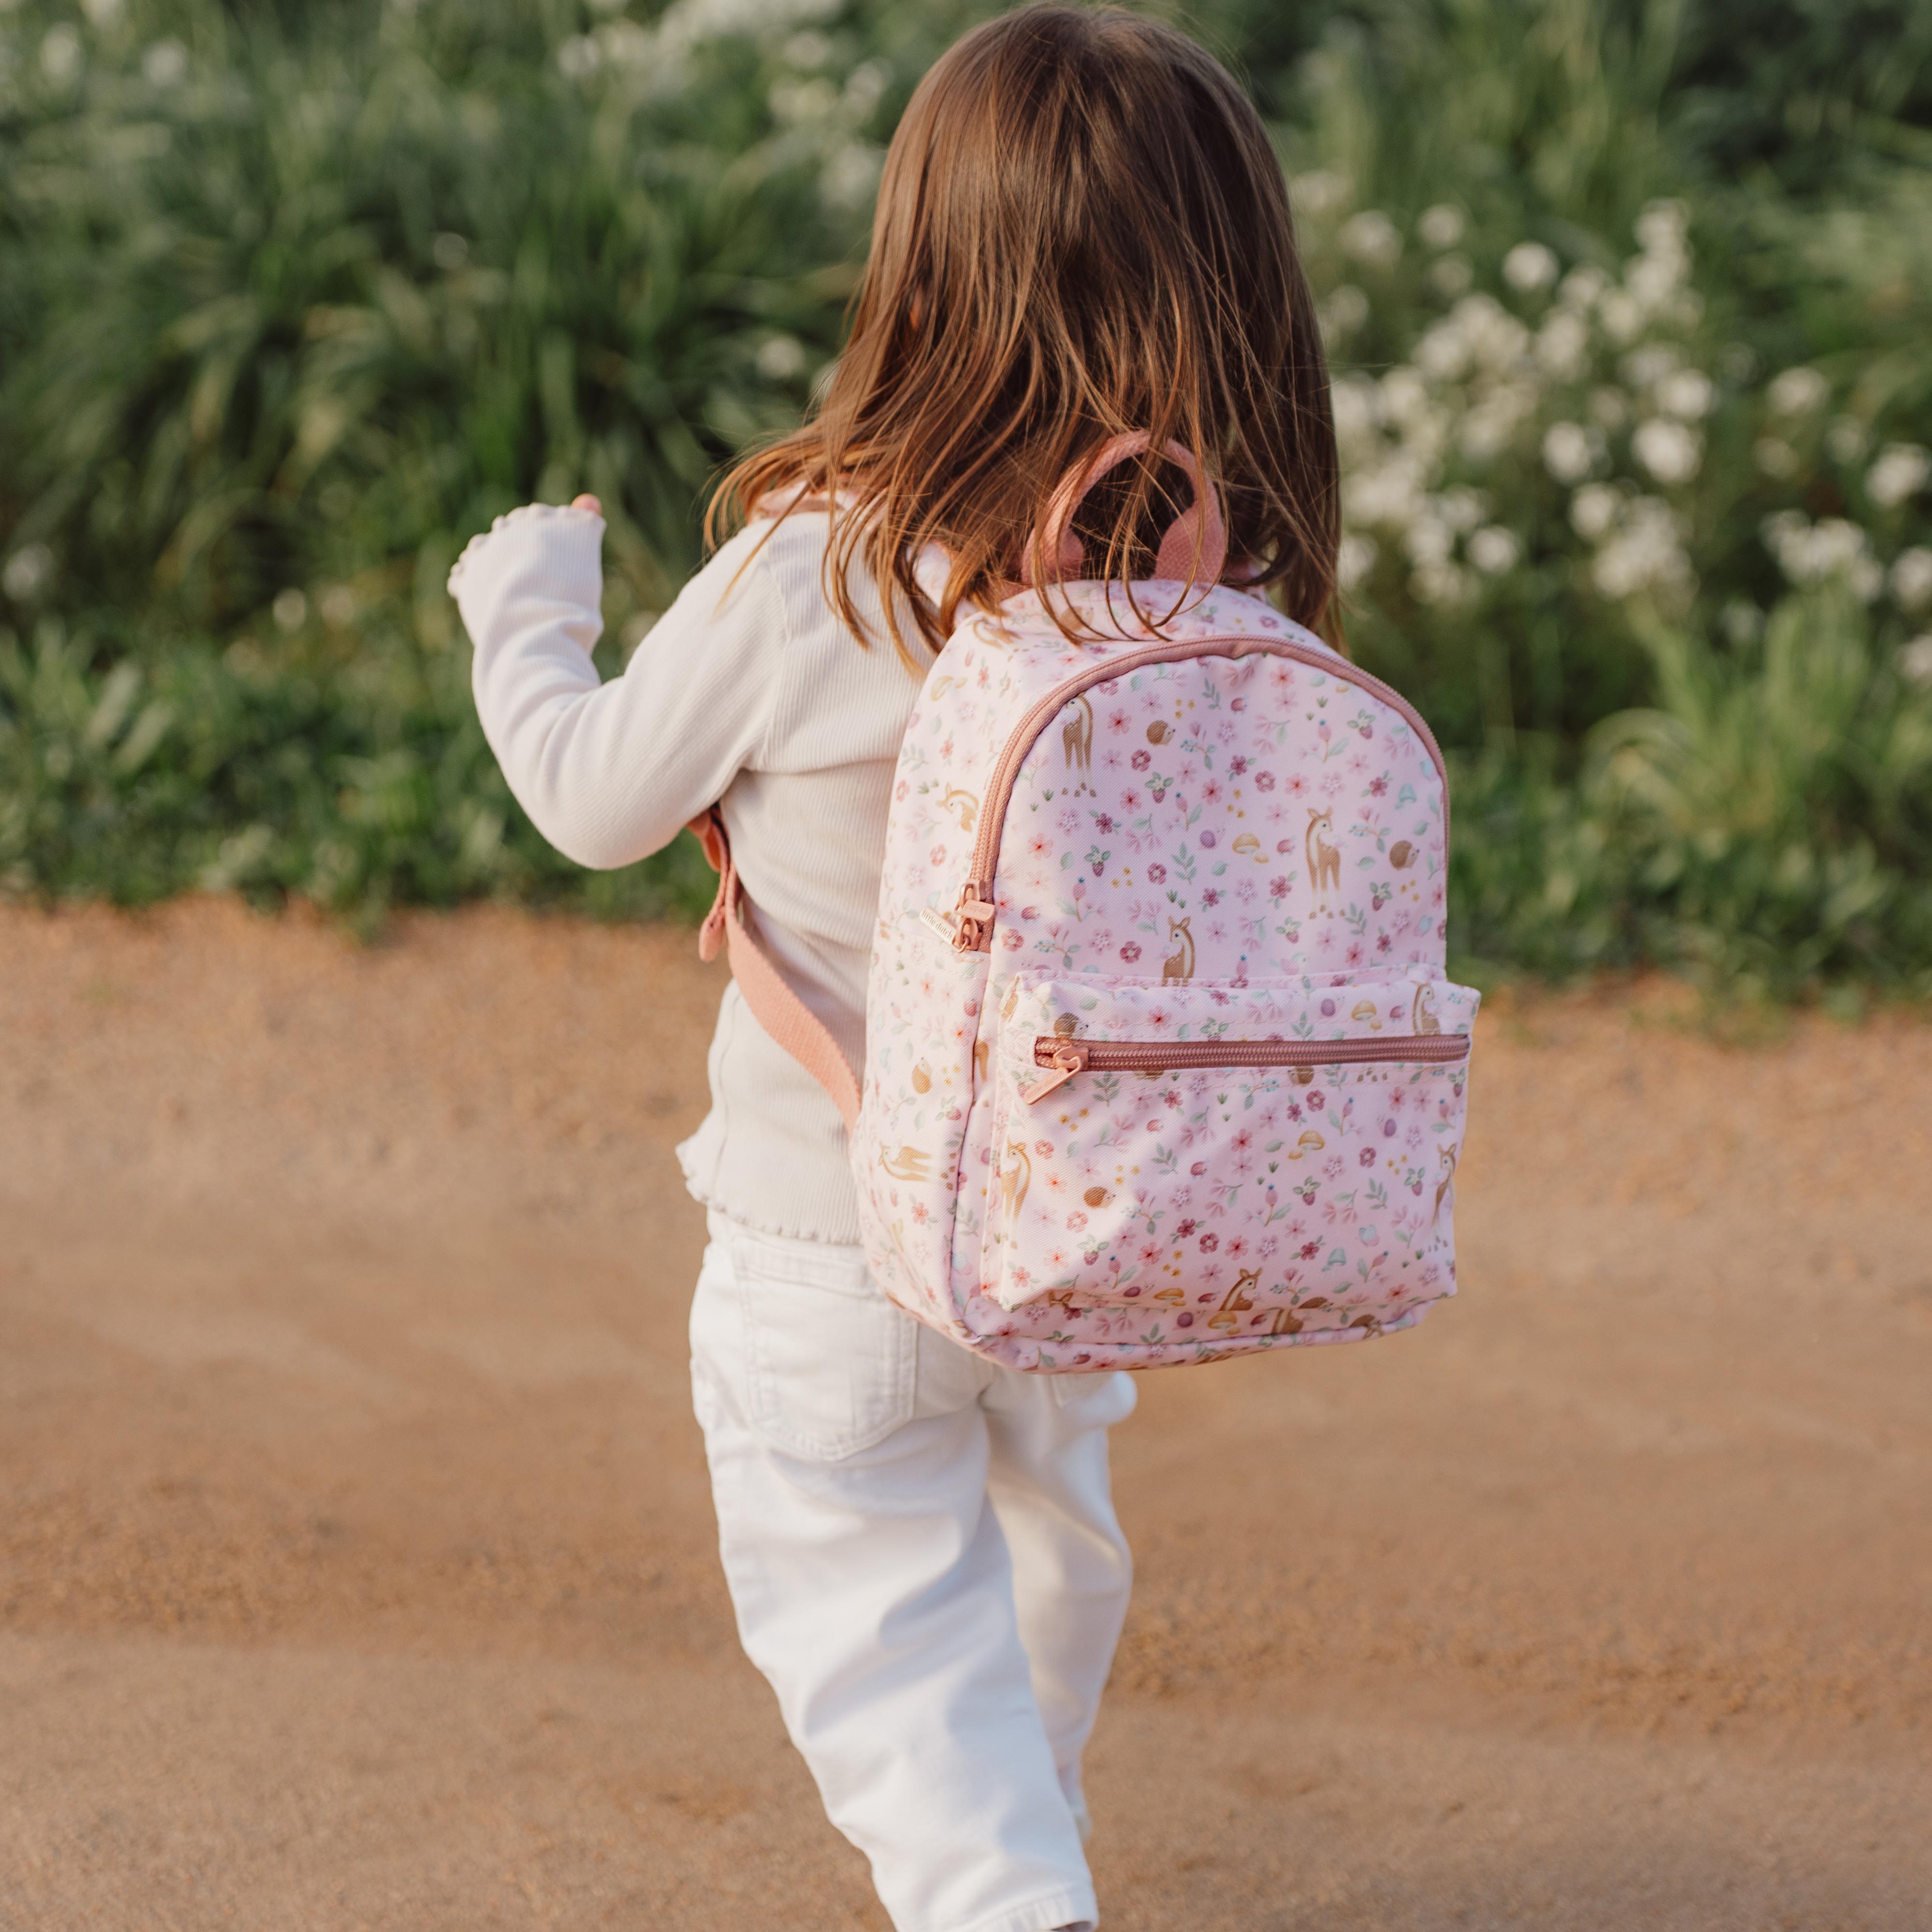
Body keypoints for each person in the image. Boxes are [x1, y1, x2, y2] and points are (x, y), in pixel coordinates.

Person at [449, 9, 1339, 1928]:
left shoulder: (824, 563)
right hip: (1068, 1237)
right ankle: (1018, 1862)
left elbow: (596, 800)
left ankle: (1007, 1900)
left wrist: (523, 612)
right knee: (1039, 1569)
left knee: (875, 1620)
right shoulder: (1208, 586)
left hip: (828, 1234)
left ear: (922, 267)